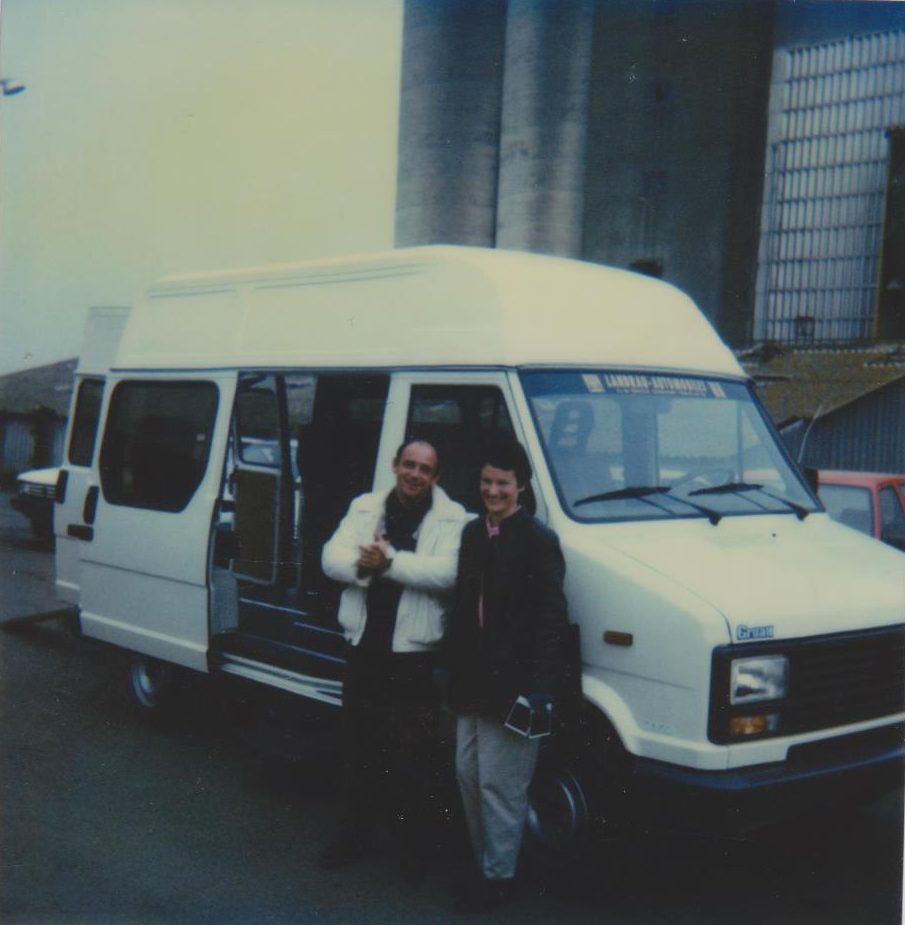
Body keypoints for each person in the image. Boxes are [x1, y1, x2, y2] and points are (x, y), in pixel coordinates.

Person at [319, 438, 470, 872]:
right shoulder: (365, 506)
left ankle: (412, 850)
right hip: (365, 646)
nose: (415, 475)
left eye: (425, 469)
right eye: (409, 465)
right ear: (395, 465)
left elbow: (449, 573)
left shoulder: (452, 517)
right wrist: (364, 566)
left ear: (436, 477)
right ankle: (352, 837)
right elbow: (331, 557)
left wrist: (389, 563)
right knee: (359, 747)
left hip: (414, 653)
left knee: (414, 756)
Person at [444, 436, 569, 912]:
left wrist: (540, 689)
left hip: (514, 686)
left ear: (522, 487)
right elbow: (462, 607)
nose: (493, 491)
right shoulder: (474, 534)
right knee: (466, 772)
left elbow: (550, 619)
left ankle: (499, 878)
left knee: (501, 785)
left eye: (503, 483)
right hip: (471, 681)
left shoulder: (538, 540)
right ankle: (485, 865)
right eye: (486, 482)